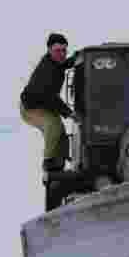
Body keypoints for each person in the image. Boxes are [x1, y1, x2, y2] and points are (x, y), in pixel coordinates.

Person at [20, 33, 78, 172]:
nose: (61, 54)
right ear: (49, 50)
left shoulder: (56, 62)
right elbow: (50, 97)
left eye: (64, 50)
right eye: (58, 50)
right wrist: (70, 113)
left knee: (62, 136)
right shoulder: (47, 70)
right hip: (31, 109)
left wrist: (77, 57)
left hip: (46, 104)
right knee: (54, 125)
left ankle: (60, 164)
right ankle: (49, 162)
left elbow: (64, 64)